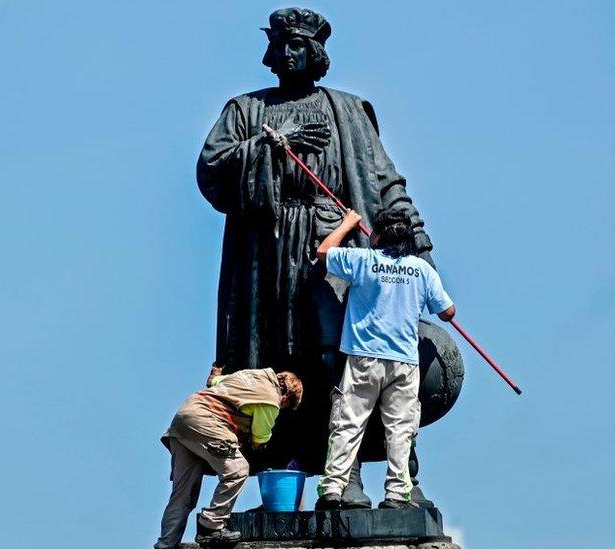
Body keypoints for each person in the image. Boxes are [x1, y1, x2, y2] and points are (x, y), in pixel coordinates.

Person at [197, 6, 445, 506]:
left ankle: (351, 475)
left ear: (317, 52)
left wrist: (416, 245)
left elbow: (384, 182)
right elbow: (213, 169)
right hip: (268, 255)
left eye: (299, 45)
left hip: (339, 253)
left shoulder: (350, 110)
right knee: (279, 365)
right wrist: (274, 145)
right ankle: (282, 479)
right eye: (282, 44)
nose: (289, 54)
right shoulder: (245, 110)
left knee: (342, 361)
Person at [314, 208, 456, 510]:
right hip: (404, 363)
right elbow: (447, 312)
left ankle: (332, 489)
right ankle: (396, 494)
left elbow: (324, 252)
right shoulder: (421, 270)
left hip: (364, 359)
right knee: (400, 431)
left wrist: (348, 224)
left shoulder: (364, 261)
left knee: (348, 425)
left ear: (375, 236)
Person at [154, 365, 304, 548]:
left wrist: (216, 372)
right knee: (238, 470)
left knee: (183, 493)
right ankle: (212, 524)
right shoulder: (272, 400)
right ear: (286, 397)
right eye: (286, 406)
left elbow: (213, 382)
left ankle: (165, 544)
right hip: (206, 422)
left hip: (183, 419)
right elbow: (259, 439)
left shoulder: (249, 375)